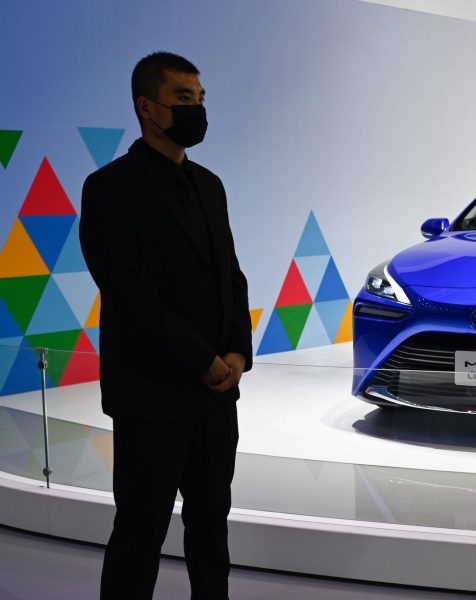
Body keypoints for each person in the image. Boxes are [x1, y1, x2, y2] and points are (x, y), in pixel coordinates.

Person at [80, 51, 253, 599]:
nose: (197, 110)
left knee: (211, 534)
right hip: (151, 399)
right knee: (139, 535)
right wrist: (201, 360)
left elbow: (232, 276)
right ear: (146, 107)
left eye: (201, 99)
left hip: (215, 400)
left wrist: (237, 354)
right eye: (184, 99)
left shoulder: (210, 185)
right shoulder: (110, 187)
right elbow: (130, 294)